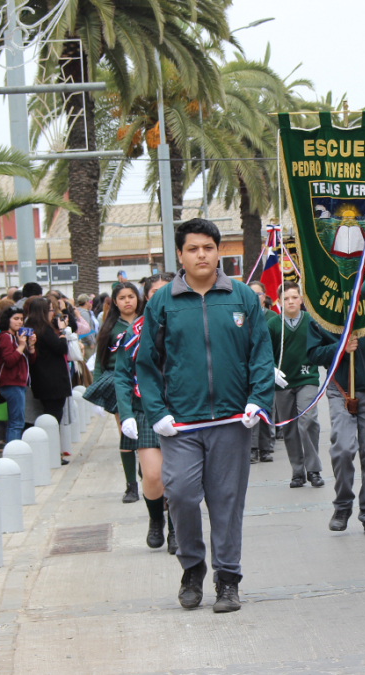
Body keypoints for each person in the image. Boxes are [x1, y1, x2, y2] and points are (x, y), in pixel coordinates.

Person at [135, 218, 273, 613]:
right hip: (180, 426)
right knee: (178, 493)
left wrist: (257, 400)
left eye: (208, 248)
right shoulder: (162, 303)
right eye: (193, 249)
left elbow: (260, 355)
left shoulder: (243, 297)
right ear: (180, 254)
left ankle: (227, 579)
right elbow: (146, 363)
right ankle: (192, 568)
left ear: (217, 252)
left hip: (232, 422)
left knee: (227, 502)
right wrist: (157, 412)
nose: (201, 255)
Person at [307, 273, 365, 535]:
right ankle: (343, 504)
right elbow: (312, 353)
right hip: (341, 390)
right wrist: (340, 348)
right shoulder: (322, 310)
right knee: (342, 448)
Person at [114, 273, 177, 552]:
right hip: (146, 409)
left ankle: (177, 526)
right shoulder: (134, 331)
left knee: (179, 476)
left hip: (184, 410)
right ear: (147, 297)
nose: (161, 296)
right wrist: (126, 414)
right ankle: (156, 520)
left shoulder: (190, 324)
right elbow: (121, 376)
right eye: (155, 293)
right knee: (152, 475)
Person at [88, 282, 142, 502]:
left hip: (147, 383)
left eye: (131, 296)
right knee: (126, 435)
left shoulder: (147, 321)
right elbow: (100, 361)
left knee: (148, 434)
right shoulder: (110, 328)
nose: (127, 301)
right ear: (115, 302)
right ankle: (131, 485)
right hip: (119, 384)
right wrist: (96, 392)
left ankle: (146, 468)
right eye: (122, 297)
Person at [267, 282, 323, 488]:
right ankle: (297, 471)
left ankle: (314, 469)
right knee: (289, 427)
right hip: (282, 383)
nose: (290, 301)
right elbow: (264, 352)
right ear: (279, 302)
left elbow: (324, 345)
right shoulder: (273, 325)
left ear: (301, 299)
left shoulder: (311, 321)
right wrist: (271, 369)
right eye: (285, 298)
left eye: (294, 297)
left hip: (307, 379)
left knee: (308, 421)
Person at [24, 297, 73, 460]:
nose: (53, 313)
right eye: (51, 310)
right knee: (53, 418)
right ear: (44, 312)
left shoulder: (28, 328)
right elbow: (60, 348)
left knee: (46, 415)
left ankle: (49, 453)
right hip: (53, 380)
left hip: (39, 378)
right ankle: (52, 454)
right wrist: (63, 333)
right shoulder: (44, 329)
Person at [0, 306, 36, 443]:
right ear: (7, 320)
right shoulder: (5, 337)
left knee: (16, 421)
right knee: (16, 423)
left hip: (19, 383)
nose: (20, 322)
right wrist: (21, 346)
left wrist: (31, 346)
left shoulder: (16, 337)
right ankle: (13, 453)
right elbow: (9, 361)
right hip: (11, 383)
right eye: (15, 319)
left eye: (22, 319)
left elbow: (29, 361)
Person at [247, 280, 276, 463]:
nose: (255, 298)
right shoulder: (242, 316)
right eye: (252, 294)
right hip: (248, 367)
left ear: (264, 296)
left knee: (266, 406)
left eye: (258, 294)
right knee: (250, 407)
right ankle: (252, 447)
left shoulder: (272, 317)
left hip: (267, 366)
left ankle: (266, 447)